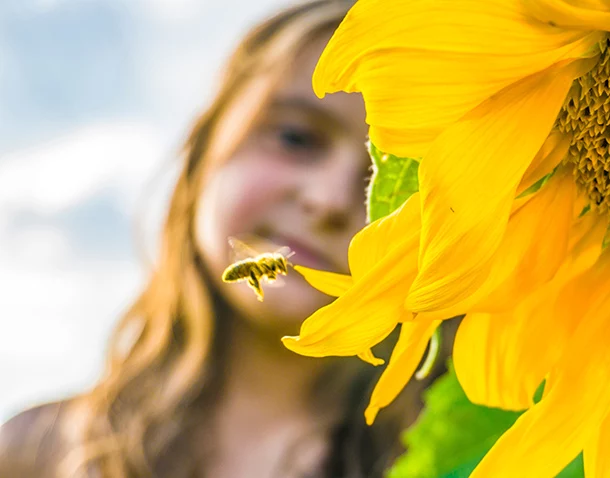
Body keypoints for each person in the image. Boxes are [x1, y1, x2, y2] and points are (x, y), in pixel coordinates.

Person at [0, 1, 443, 476]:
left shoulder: (455, 459)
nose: (329, 200)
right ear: (205, 149)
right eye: (296, 138)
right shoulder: (37, 449)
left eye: (393, 182)